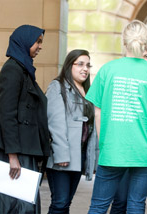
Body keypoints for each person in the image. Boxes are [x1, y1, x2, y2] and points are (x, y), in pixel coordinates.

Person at [86, 20, 147, 213]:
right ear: (146, 44)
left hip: (112, 149)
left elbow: (97, 113)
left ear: (123, 42)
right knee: (136, 204)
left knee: (99, 205)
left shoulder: (107, 70)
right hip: (143, 151)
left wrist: (104, 142)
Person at [0, 25, 50, 214]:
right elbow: (6, 114)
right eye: (38, 41)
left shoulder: (24, 69)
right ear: (25, 41)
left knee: (20, 206)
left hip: (21, 149)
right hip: (10, 151)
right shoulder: (12, 69)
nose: (40, 46)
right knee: (9, 206)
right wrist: (12, 156)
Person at [110, 45, 147, 213]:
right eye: (141, 56)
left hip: (144, 153)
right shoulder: (126, 81)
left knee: (136, 202)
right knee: (119, 201)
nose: (144, 60)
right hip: (121, 151)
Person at [45, 49, 98, 214]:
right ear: (70, 65)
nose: (85, 69)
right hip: (62, 156)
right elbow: (55, 124)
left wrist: (92, 159)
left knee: (66, 202)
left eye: (88, 65)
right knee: (59, 203)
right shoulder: (57, 86)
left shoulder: (88, 90)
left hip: (79, 155)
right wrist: (61, 155)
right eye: (80, 64)